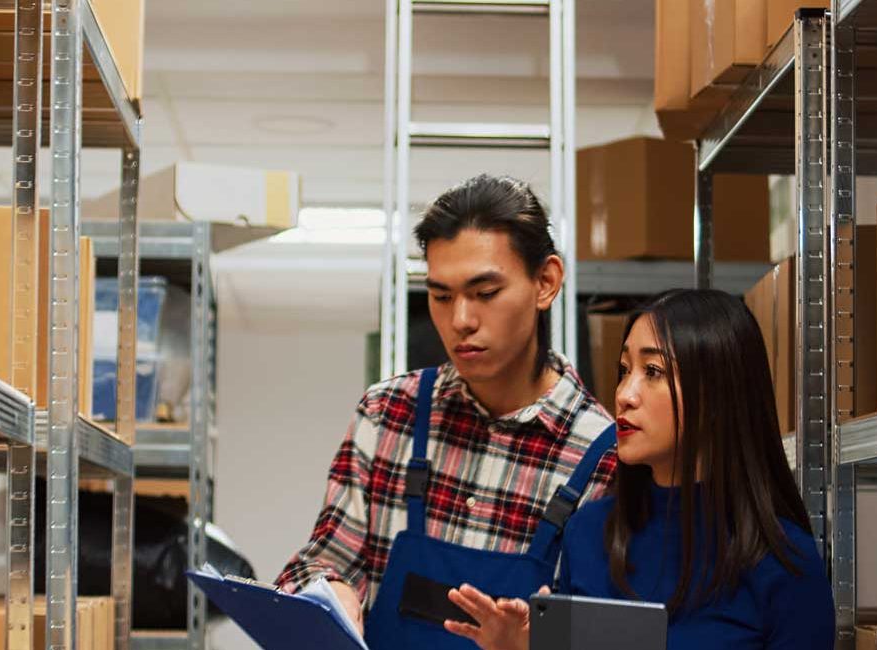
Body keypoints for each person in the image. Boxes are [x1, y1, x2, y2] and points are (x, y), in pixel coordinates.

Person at [274, 174, 618, 649]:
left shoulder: (605, 457)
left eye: (485, 293)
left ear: (546, 282)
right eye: (441, 296)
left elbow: (606, 637)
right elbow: (317, 562)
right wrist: (328, 591)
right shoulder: (388, 414)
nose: (460, 320)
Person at [444, 289, 836, 649]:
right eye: (624, 370)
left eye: (653, 372)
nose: (624, 395)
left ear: (718, 395)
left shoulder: (785, 563)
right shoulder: (588, 533)